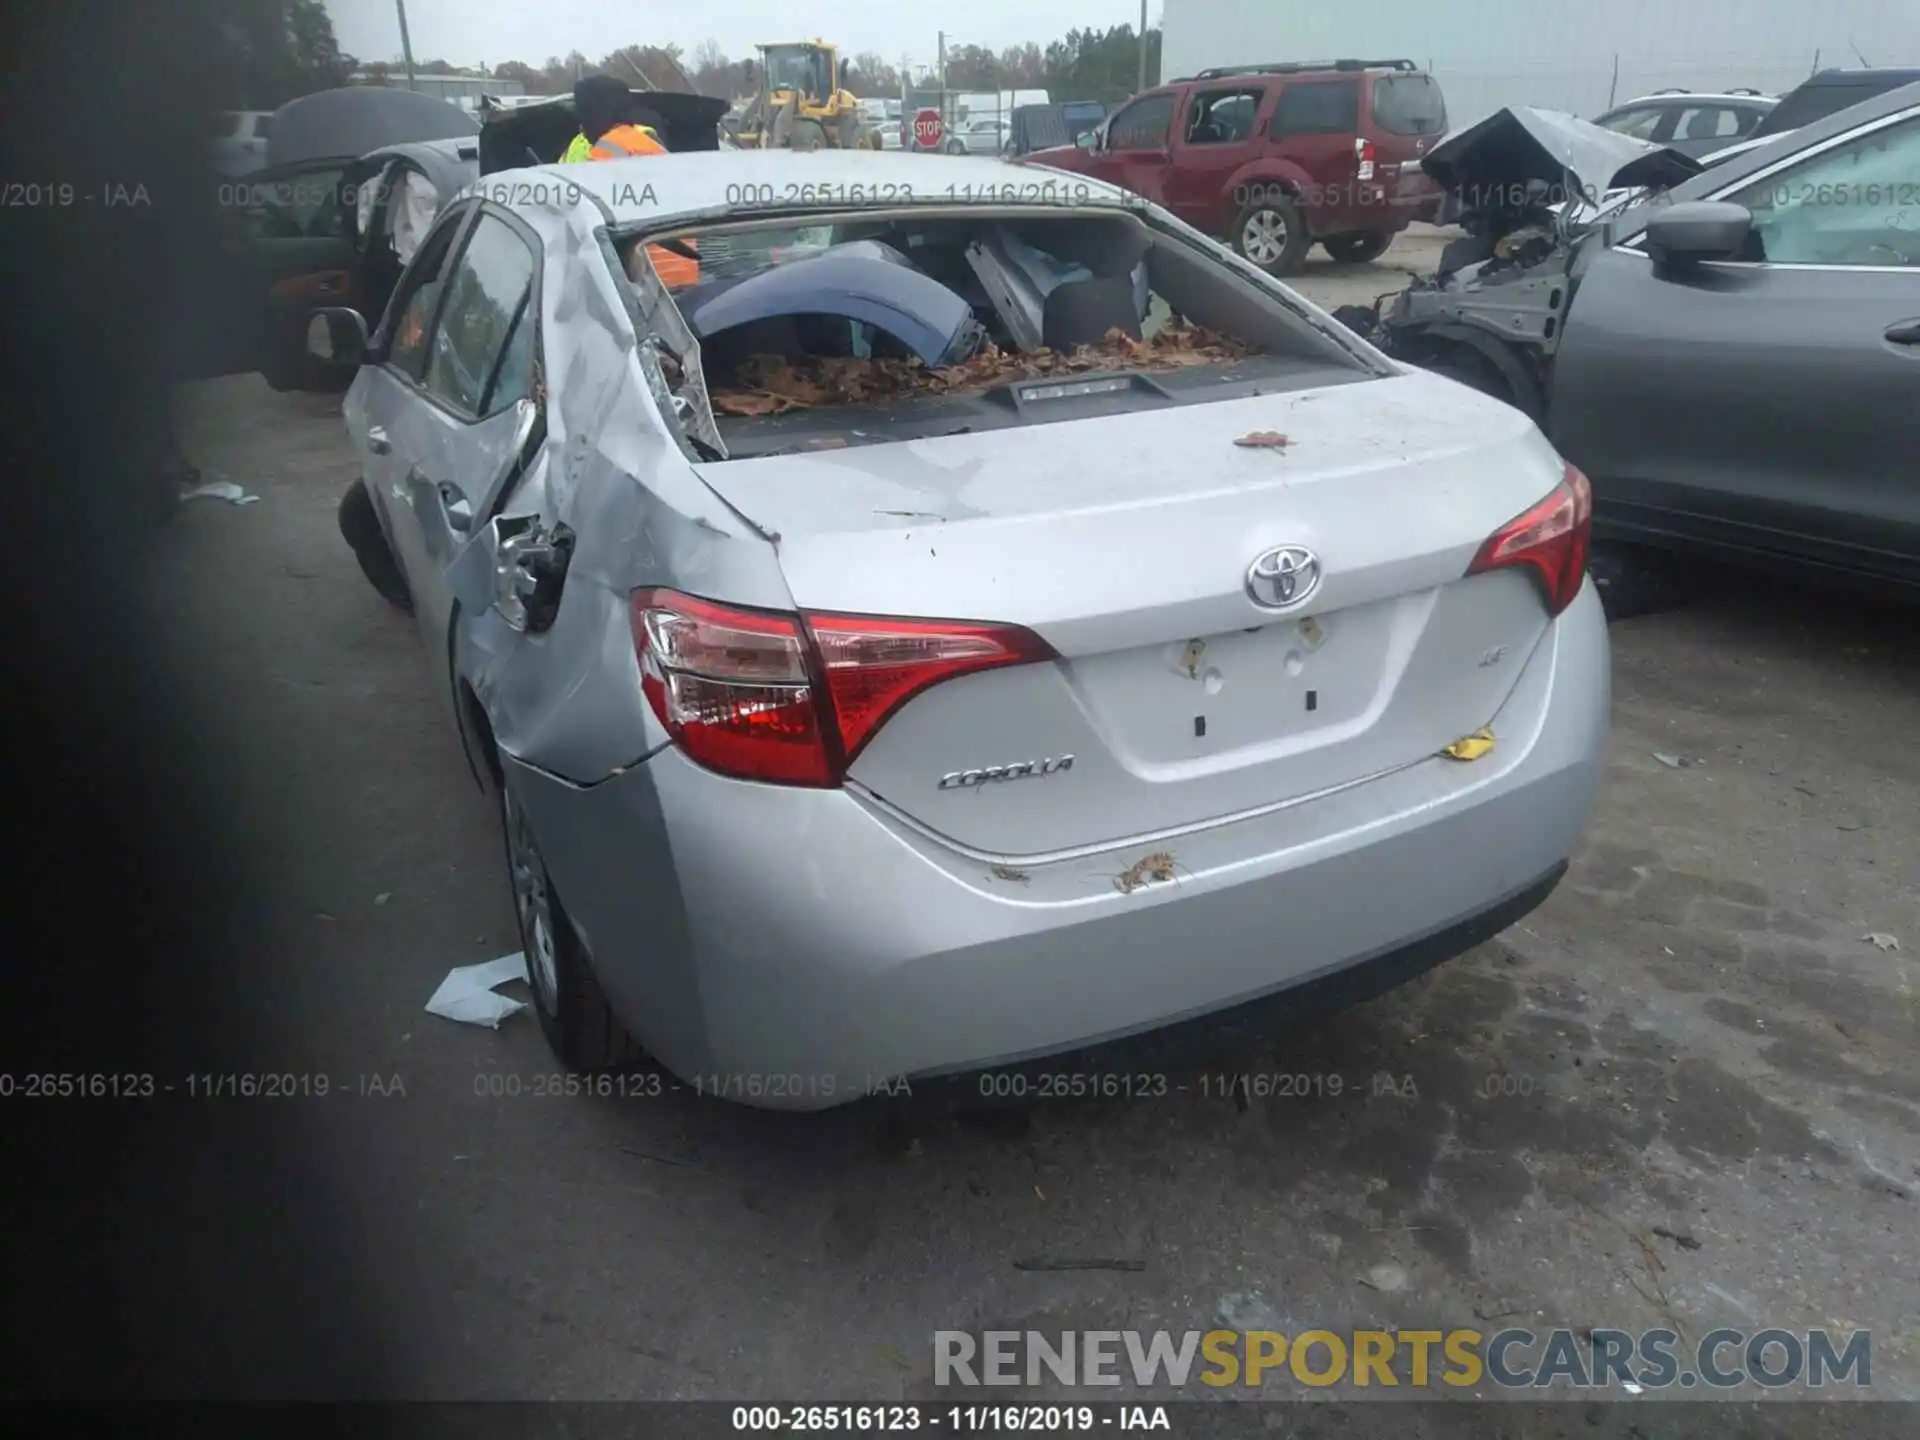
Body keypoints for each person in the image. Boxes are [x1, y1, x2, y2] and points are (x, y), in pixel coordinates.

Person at [561, 75, 699, 287]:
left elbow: (589, 224)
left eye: (583, 117)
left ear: (594, 114)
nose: (581, 127)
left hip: (648, 281)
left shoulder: (605, 153)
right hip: (683, 271)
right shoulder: (648, 143)